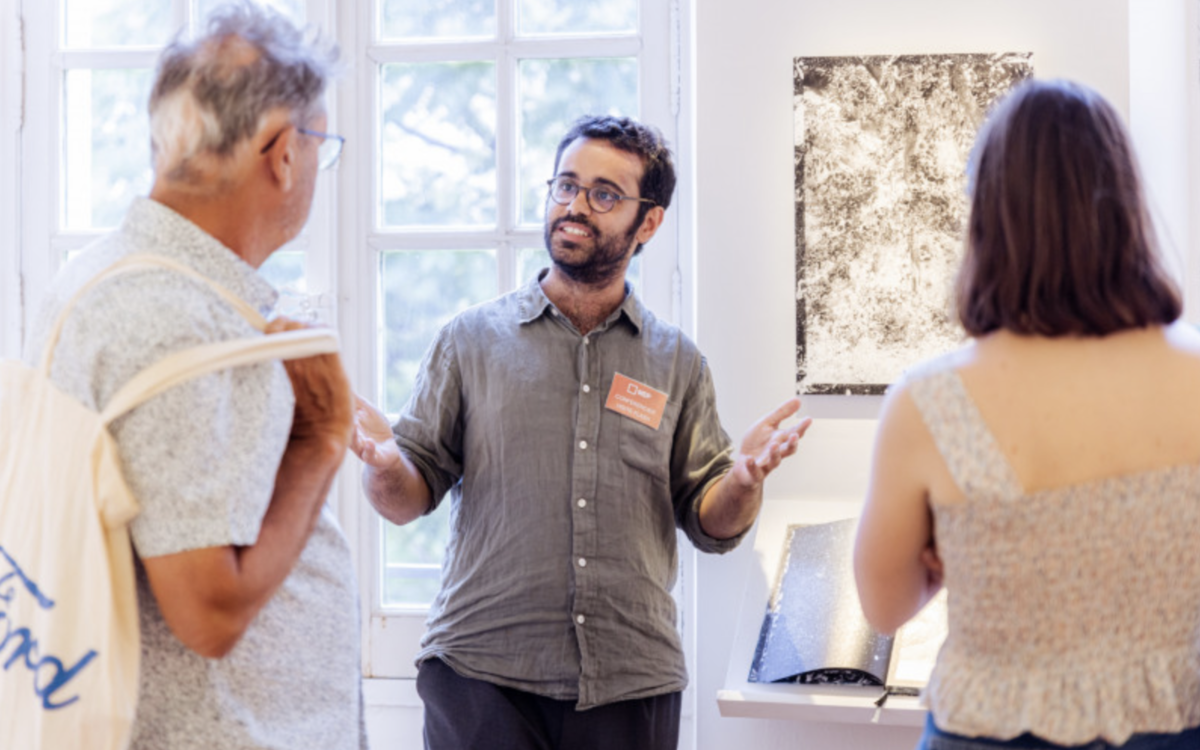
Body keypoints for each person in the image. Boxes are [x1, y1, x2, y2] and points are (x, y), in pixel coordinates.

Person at [352, 114, 812, 749]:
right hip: (481, 676)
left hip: (631, 681)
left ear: (648, 222)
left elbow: (712, 524)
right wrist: (383, 465)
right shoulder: (469, 340)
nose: (574, 206)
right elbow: (407, 498)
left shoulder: (677, 363)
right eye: (566, 186)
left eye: (603, 194)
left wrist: (742, 481)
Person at [25, 5, 366, 749]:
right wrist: (319, 441)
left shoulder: (116, 276)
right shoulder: (173, 317)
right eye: (322, 146)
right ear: (284, 152)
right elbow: (208, 613)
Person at [853, 78, 1200, 750]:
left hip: (988, 731)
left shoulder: (931, 402)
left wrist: (959, 552)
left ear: (988, 215)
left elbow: (884, 606)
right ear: (1126, 202)